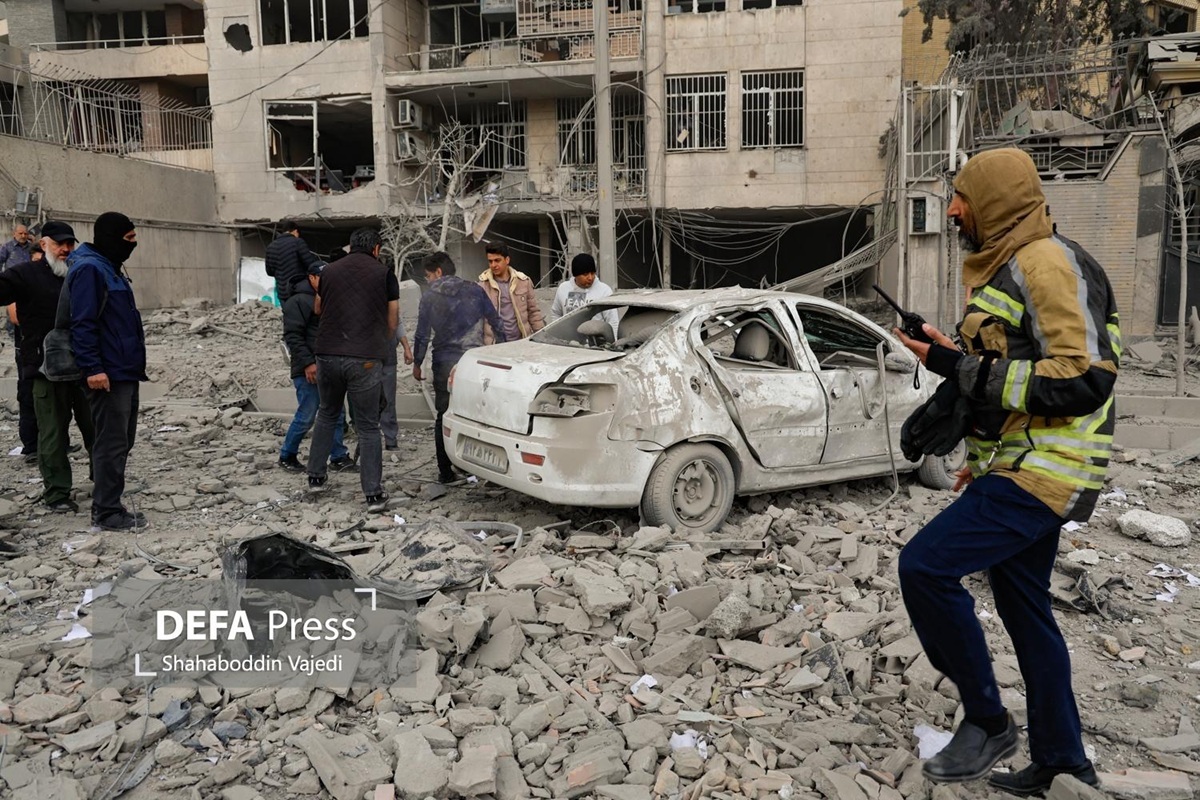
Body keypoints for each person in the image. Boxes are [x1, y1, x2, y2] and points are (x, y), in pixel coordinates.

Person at [894, 148, 1119, 796]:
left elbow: (1083, 377)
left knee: (925, 567)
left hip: (1048, 467)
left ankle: (988, 722)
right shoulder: (1010, 267)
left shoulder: (1049, 262)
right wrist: (949, 353)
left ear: (993, 202)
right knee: (1025, 609)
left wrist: (955, 366)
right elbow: (1008, 370)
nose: (952, 209)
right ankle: (1063, 762)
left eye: (961, 197)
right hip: (1019, 463)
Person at [0, 221, 94, 512]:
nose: (65, 249)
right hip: (44, 370)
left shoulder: (80, 273)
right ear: (44, 245)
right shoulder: (25, 274)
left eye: (70, 244)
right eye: (59, 244)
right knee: (52, 435)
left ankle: (104, 481)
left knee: (96, 429)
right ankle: (57, 494)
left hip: (85, 366)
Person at [305, 228, 398, 512]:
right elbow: (392, 320)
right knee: (368, 426)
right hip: (365, 358)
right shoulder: (384, 274)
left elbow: (318, 308)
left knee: (327, 413)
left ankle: (315, 477)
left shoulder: (329, 271)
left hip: (327, 354)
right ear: (376, 249)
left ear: (350, 246)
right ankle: (373, 495)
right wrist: (381, 344)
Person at [69, 212, 149, 531]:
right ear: (111, 238)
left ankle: (110, 504)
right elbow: (82, 323)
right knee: (111, 443)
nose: (133, 244)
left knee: (122, 440)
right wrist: (93, 368)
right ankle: (106, 512)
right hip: (107, 373)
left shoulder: (110, 268)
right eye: (129, 238)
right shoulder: (90, 269)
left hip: (124, 370)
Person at [413, 252, 505, 484]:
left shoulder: (430, 297)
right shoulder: (475, 290)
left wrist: (417, 363)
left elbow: (422, 334)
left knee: (443, 416)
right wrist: (502, 352)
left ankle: (446, 472)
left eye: (428, 276)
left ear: (438, 272)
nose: (428, 281)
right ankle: (483, 470)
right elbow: (496, 323)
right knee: (479, 416)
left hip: (444, 362)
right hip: (472, 364)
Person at [279, 263, 355, 473]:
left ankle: (338, 456)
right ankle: (287, 454)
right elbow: (293, 336)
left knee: (336, 413)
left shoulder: (330, 299)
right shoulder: (297, 301)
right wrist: (308, 363)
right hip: (308, 369)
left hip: (329, 365)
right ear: (312, 278)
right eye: (323, 277)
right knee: (307, 413)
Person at [477, 242, 544, 344]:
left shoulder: (523, 282)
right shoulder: (483, 285)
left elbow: (533, 313)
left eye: (497, 260)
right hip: (494, 345)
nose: (493, 265)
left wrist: (542, 338)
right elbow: (477, 320)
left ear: (507, 260)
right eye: (490, 261)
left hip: (520, 343)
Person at [549, 253, 618, 337]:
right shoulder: (563, 288)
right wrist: (557, 335)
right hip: (568, 341)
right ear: (576, 275)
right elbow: (556, 314)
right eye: (585, 274)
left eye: (592, 273)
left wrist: (613, 341)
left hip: (597, 341)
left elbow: (613, 321)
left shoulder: (604, 290)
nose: (590, 278)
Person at [265, 219, 323, 306]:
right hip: (299, 289)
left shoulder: (271, 247)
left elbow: (269, 272)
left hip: (282, 292)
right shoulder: (298, 242)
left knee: (289, 313)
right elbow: (310, 265)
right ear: (295, 231)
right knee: (304, 313)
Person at [381, 317, 414, 451]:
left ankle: (390, 439)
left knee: (388, 401)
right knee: (367, 401)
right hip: (366, 358)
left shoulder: (390, 304)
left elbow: (397, 321)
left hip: (387, 356)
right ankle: (367, 441)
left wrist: (406, 347)